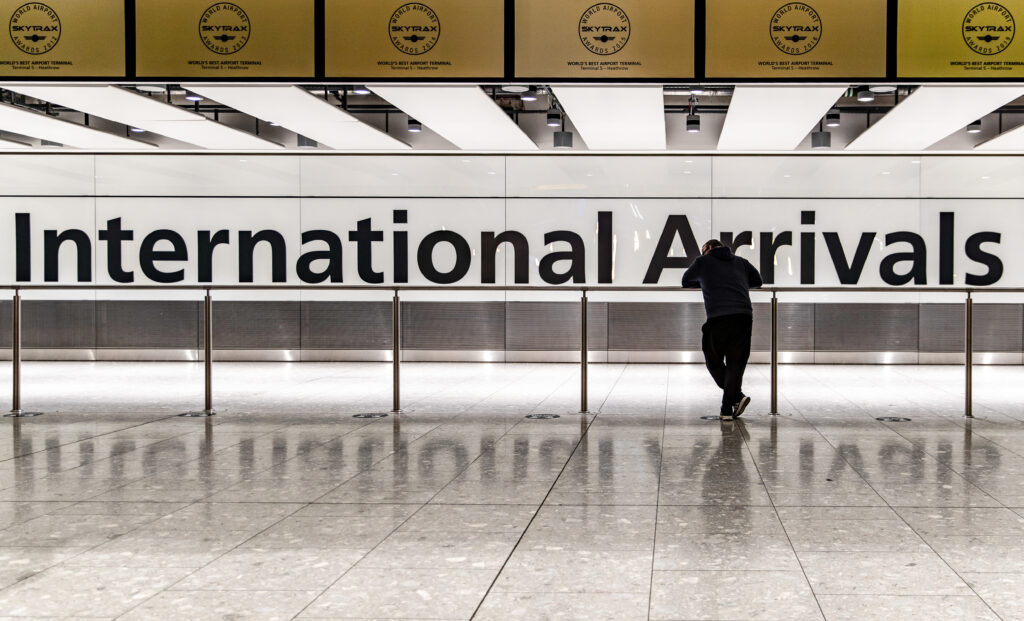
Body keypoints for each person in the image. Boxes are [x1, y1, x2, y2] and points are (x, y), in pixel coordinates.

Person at [681, 239, 763, 420]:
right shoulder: (740, 262)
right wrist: (736, 283)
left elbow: (686, 281)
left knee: (713, 360)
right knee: (735, 363)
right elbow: (758, 280)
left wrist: (707, 282)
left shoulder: (703, 262)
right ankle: (727, 409)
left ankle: (736, 398)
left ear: (708, 249)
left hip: (718, 317)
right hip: (743, 316)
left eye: (703, 251)